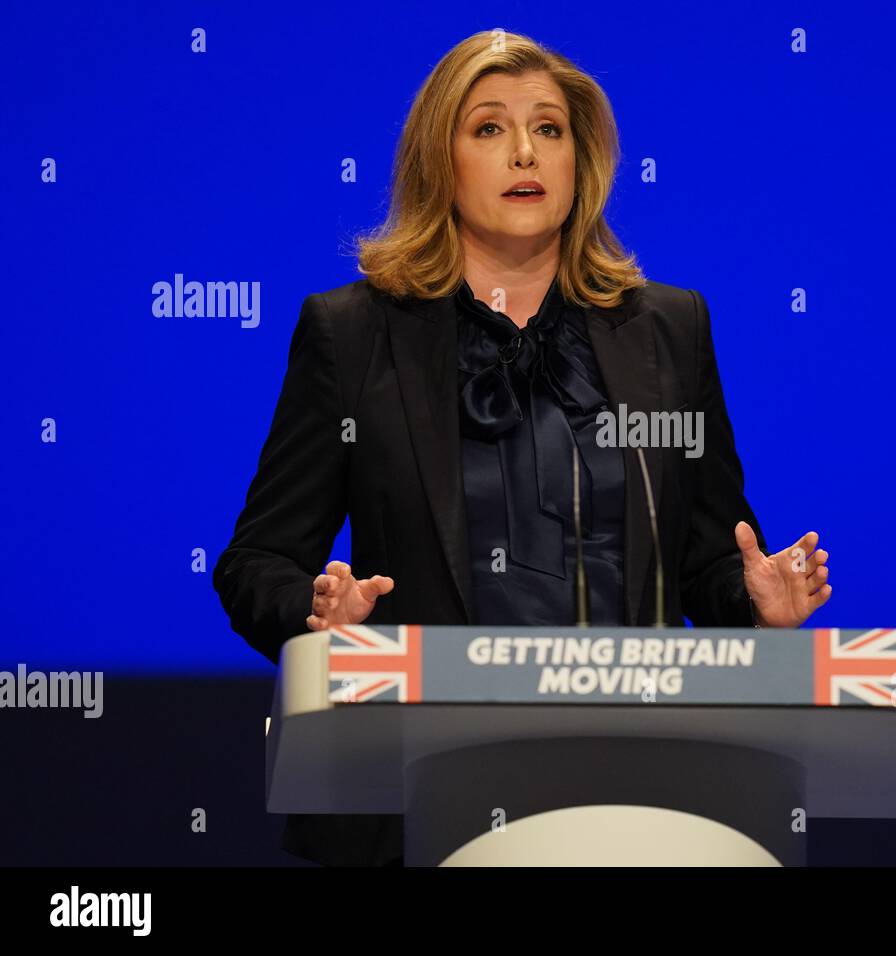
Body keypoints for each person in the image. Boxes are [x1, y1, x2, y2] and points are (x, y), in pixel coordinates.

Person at [213, 29, 831, 867]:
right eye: (489, 128)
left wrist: (755, 601)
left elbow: (703, 560)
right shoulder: (353, 334)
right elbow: (257, 562)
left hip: (647, 792)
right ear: (442, 161)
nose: (523, 152)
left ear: (582, 163)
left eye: (548, 129)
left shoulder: (668, 332)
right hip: (417, 793)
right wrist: (319, 617)